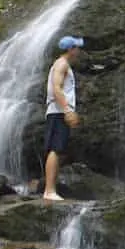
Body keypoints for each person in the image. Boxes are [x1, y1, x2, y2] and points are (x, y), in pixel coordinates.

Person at [42, 35, 83, 202]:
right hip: (58, 112)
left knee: (57, 150)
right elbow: (56, 89)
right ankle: (49, 190)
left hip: (58, 111)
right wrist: (67, 110)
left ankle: (51, 189)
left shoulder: (62, 65)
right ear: (70, 49)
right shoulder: (61, 64)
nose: (78, 51)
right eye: (77, 48)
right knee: (55, 149)